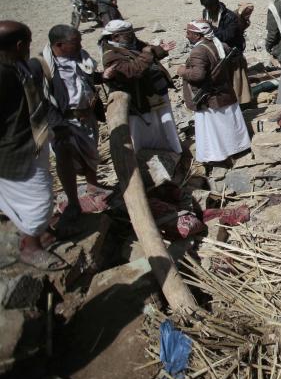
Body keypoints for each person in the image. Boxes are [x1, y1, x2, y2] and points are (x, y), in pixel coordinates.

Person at [30, 25, 110, 231]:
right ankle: (73, 202)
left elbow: (87, 79)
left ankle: (93, 186)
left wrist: (104, 76)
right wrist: (57, 125)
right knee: (65, 159)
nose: (81, 46)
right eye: (75, 43)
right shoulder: (40, 65)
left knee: (91, 153)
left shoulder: (80, 58)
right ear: (59, 45)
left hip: (87, 117)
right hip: (64, 122)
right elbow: (39, 99)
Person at [0, 21, 63, 270]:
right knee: (38, 199)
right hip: (15, 149)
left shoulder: (17, 66)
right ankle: (31, 246)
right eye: (27, 43)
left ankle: (34, 231)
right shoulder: (4, 73)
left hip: (31, 142)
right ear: (19, 45)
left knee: (34, 192)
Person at [100, 20, 181, 153]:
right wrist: (148, 53)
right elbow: (133, 70)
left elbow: (146, 52)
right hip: (139, 99)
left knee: (163, 124)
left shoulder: (129, 44)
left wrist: (160, 50)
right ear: (115, 37)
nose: (133, 36)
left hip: (152, 92)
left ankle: (171, 149)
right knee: (145, 130)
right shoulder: (111, 56)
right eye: (128, 34)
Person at [177, 21, 250, 164]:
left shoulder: (199, 51)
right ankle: (236, 149)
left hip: (210, 98)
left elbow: (198, 75)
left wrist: (182, 71)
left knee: (215, 132)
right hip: (225, 93)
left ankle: (219, 157)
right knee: (229, 126)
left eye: (189, 33)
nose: (186, 35)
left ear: (197, 35)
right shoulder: (220, 45)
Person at [200, 0, 252, 107]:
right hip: (216, 53)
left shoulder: (230, 16)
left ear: (217, 3)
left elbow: (228, 35)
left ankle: (240, 105)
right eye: (206, 7)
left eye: (210, 6)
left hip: (231, 53)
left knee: (236, 84)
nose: (209, 9)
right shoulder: (206, 13)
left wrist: (210, 28)